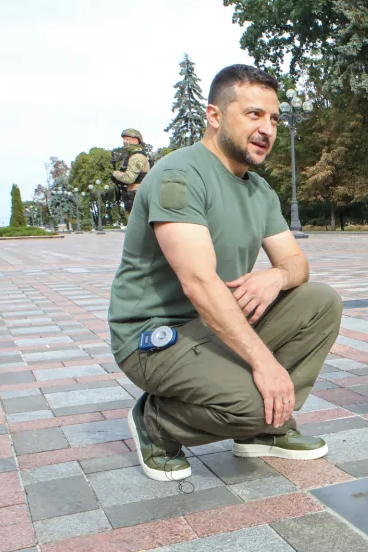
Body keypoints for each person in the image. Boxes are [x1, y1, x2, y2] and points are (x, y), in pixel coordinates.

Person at [108, 64, 343, 482]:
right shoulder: (180, 176)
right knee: (255, 403)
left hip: (214, 325)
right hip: (157, 336)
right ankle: (156, 423)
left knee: (321, 302)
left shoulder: (259, 190)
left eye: (274, 119)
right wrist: (265, 365)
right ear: (215, 116)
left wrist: (275, 277)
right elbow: (198, 282)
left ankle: (263, 431)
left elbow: (297, 263)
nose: (267, 129)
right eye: (254, 114)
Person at [111, 129, 151, 220]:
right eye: (124, 139)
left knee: (136, 225)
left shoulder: (137, 157)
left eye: (127, 139)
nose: (125, 142)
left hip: (137, 197)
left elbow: (129, 178)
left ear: (136, 140)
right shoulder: (132, 156)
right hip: (132, 198)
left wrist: (114, 174)